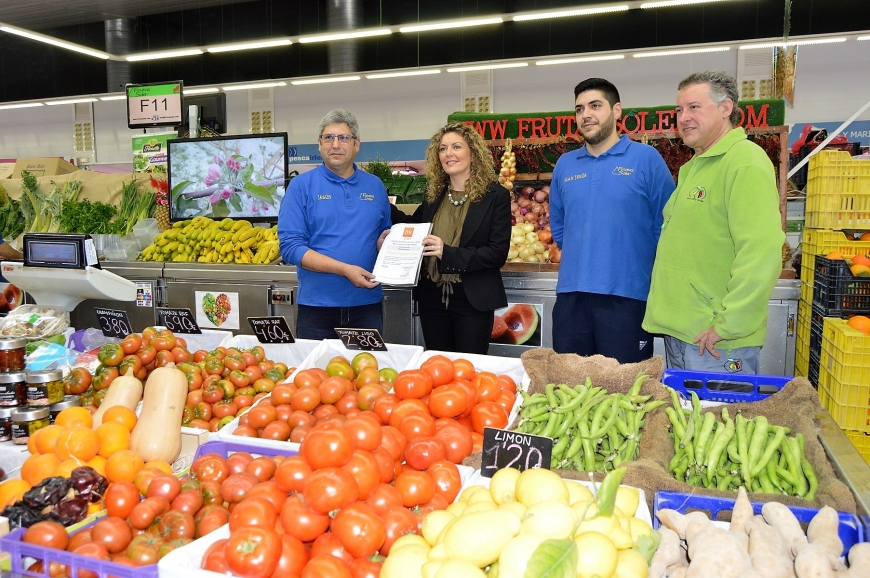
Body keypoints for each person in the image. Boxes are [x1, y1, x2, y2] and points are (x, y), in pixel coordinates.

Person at [643, 71, 785, 374]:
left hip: (716, 342)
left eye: (694, 107)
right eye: (679, 110)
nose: (683, 118)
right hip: (684, 333)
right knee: (686, 420)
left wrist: (728, 324)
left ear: (725, 108)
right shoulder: (695, 166)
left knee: (718, 420)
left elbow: (761, 252)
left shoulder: (744, 161)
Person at [549, 78, 674, 363]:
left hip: (627, 297)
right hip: (572, 297)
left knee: (627, 391)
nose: (586, 115)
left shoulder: (646, 159)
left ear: (617, 111)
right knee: (569, 387)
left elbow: (666, 223)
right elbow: (559, 226)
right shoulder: (565, 165)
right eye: (579, 109)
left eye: (595, 106)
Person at [278, 109, 392, 340]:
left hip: (367, 305)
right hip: (317, 308)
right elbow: (290, 248)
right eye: (328, 138)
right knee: (315, 374)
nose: (335, 144)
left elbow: (383, 238)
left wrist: (384, 244)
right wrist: (344, 270)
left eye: (343, 138)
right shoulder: (301, 187)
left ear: (357, 144)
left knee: (366, 374)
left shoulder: (375, 186)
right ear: (319, 144)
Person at [410, 122, 511, 354]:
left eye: (456, 146)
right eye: (443, 148)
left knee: (468, 371)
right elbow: (415, 227)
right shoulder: (433, 195)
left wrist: (448, 253)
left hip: (473, 299)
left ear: (473, 153)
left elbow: (497, 253)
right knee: (438, 369)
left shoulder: (496, 196)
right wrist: (390, 229)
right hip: (431, 298)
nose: (448, 154)